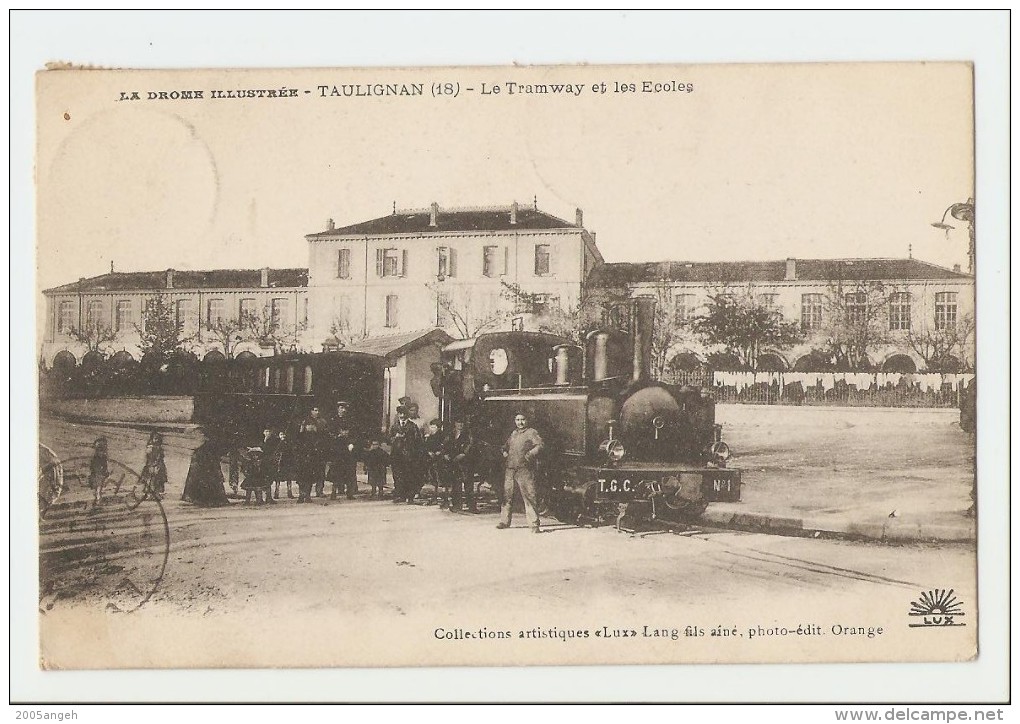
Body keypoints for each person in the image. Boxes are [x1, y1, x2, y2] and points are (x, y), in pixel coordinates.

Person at [497, 413, 544, 533]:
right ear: (515, 421)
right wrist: (504, 452)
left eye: (523, 419)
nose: (520, 422)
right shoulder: (514, 433)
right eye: (518, 420)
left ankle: (534, 525)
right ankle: (504, 521)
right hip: (510, 469)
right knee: (507, 496)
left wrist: (529, 455)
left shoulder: (531, 432)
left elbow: (540, 445)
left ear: (526, 420)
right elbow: (505, 446)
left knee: (529, 496)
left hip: (524, 469)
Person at [181, 432, 230, 507]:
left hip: (208, 471)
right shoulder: (205, 450)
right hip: (208, 471)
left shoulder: (202, 450)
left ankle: (204, 499)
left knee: (207, 483)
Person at [389, 405, 423, 503]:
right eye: (400, 414)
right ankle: (400, 495)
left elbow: (418, 440)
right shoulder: (395, 426)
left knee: (409, 475)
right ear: (398, 414)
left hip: (409, 455)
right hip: (396, 454)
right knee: (397, 475)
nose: (402, 416)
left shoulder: (412, 426)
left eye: (404, 414)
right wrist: (395, 437)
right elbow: (388, 439)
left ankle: (410, 496)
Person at [327, 400, 360, 500]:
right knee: (336, 470)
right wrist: (338, 436)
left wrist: (351, 443)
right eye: (341, 408)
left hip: (348, 449)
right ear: (338, 409)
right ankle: (334, 492)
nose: (344, 410)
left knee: (350, 470)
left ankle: (349, 493)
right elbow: (329, 433)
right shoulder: (333, 420)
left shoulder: (350, 420)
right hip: (337, 448)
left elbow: (354, 433)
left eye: (345, 408)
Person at [444, 419, 477, 513]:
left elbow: (470, 445)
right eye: (458, 423)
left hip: (466, 463)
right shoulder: (451, 434)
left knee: (468, 484)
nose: (460, 425)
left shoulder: (468, 434)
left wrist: (463, 454)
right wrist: (446, 454)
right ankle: (457, 505)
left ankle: (471, 506)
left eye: (462, 423)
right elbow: (445, 445)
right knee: (456, 484)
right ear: (455, 424)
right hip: (453, 462)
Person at [297, 406, 328, 503]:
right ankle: (301, 495)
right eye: (315, 410)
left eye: (318, 410)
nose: (317, 412)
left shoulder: (320, 426)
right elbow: (298, 438)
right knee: (302, 476)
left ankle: (308, 495)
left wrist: (316, 430)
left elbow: (323, 437)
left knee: (310, 475)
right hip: (303, 454)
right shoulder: (304, 425)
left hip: (314, 454)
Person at [422, 418, 446, 506]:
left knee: (440, 479)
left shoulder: (442, 436)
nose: (431, 429)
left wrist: (438, 452)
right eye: (430, 427)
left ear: (438, 428)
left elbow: (444, 447)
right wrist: (429, 452)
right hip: (431, 459)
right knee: (433, 479)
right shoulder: (429, 437)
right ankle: (434, 497)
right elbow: (425, 447)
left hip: (440, 460)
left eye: (433, 427)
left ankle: (444, 499)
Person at [139, 431, 168, 500]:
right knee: (150, 481)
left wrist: (157, 465)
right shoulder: (151, 448)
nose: (156, 440)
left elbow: (160, 458)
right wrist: (152, 466)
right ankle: (149, 494)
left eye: (157, 439)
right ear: (151, 439)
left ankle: (156, 494)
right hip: (151, 465)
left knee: (157, 481)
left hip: (159, 466)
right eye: (155, 438)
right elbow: (150, 458)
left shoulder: (159, 448)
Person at [273, 430, 297, 499]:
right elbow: (275, 452)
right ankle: (276, 493)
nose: (283, 436)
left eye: (284, 435)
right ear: (278, 435)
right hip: (279, 464)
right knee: (278, 479)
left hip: (287, 463)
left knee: (288, 478)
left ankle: (289, 492)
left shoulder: (288, 443)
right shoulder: (277, 443)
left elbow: (291, 453)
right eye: (281, 434)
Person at [88, 436, 110, 508]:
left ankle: (97, 500)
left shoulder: (97, 455)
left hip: (97, 472)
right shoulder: (101, 455)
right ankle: (98, 500)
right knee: (99, 487)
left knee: (98, 487)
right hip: (99, 472)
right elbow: (103, 464)